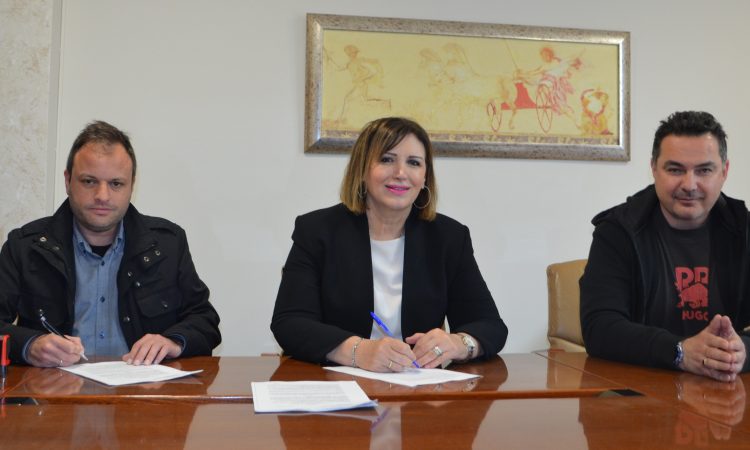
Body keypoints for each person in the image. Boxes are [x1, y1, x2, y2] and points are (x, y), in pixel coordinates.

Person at [271, 117, 507, 372]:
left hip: (417, 386)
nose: (401, 173)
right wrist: (358, 351)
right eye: (386, 159)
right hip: (337, 383)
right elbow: (289, 322)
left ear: (425, 177)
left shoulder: (449, 237)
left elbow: (490, 326)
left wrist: (459, 344)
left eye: (414, 163)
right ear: (362, 169)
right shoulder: (317, 231)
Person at [0, 120, 221, 367]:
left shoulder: (168, 243)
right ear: (68, 181)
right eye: (89, 181)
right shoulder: (24, 247)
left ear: (131, 185)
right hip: (55, 386)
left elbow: (204, 319)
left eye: (116, 184)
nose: (102, 196)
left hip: (144, 387)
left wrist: (173, 341)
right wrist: (29, 345)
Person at [580, 111, 749, 382]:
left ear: (724, 172)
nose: (689, 185)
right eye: (675, 170)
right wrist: (680, 351)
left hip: (729, 393)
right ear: (654, 168)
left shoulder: (745, 230)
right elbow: (599, 328)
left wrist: (743, 352)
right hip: (640, 392)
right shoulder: (618, 231)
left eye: (704, 170)